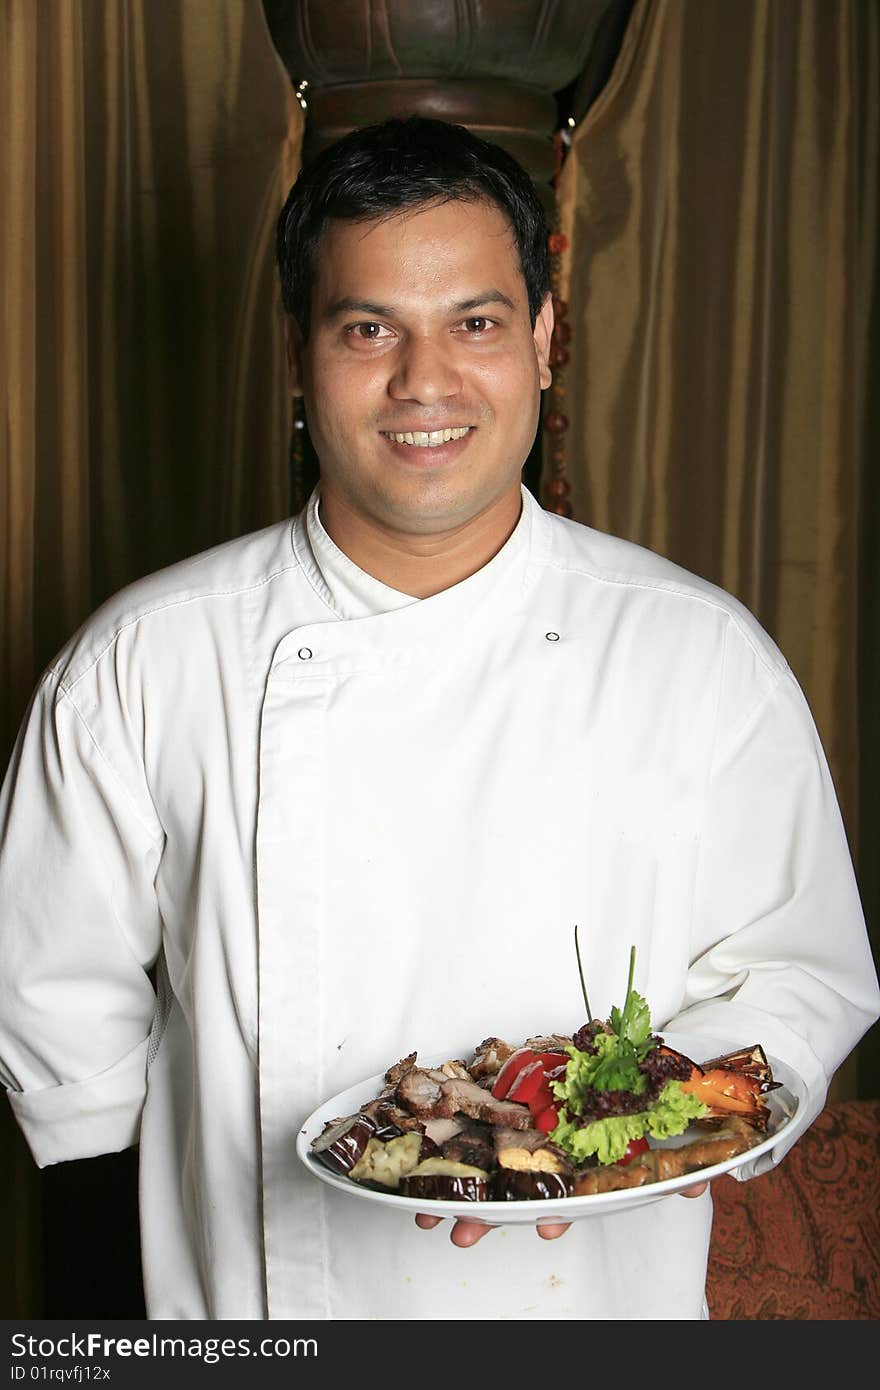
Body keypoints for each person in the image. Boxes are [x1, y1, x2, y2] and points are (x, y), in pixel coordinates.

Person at [0, 116, 877, 1322]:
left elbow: (795, 975)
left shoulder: (698, 655)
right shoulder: (140, 662)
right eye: (370, 329)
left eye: (476, 323)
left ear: (545, 341)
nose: (426, 382)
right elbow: (69, 1065)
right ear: (298, 360)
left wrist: (620, 1133)